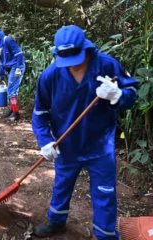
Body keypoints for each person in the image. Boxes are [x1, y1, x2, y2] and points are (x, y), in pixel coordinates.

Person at [31, 25, 139, 239]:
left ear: (85, 49)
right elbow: (40, 114)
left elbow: (132, 94)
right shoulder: (49, 76)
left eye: (76, 58)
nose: (73, 66)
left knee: (105, 194)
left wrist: (117, 95)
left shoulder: (107, 65)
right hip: (66, 146)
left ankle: (106, 235)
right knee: (61, 185)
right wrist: (45, 141)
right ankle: (56, 222)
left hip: (100, 146)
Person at [0, 28, 26, 121]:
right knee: (11, 90)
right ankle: (12, 110)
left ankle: (16, 113)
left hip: (17, 66)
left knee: (12, 90)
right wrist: (0, 76)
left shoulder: (8, 40)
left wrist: (19, 68)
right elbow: (1, 62)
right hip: (10, 67)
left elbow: (19, 54)